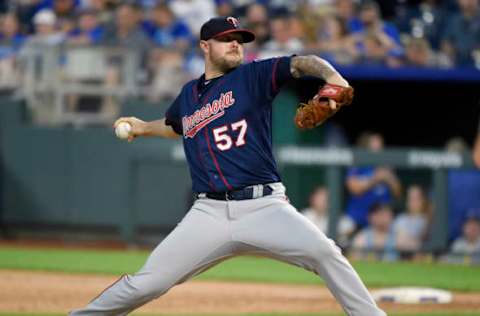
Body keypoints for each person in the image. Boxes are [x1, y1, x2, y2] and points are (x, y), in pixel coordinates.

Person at [70, 16, 385, 316]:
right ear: (205, 46)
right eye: (226, 39)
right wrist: (142, 127)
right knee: (147, 283)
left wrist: (334, 78)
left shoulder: (254, 76)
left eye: (239, 39)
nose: (235, 44)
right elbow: (175, 125)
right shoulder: (188, 95)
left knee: (325, 253)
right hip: (209, 213)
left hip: (265, 206)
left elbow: (304, 63)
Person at [345, 132, 402, 230]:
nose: (378, 149)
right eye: (374, 145)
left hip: (383, 221)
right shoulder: (359, 164)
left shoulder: (386, 165)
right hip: (358, 219)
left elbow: (398, 193)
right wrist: (375, 178)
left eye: (380, 145)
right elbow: (354, 188)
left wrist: (389, 177)